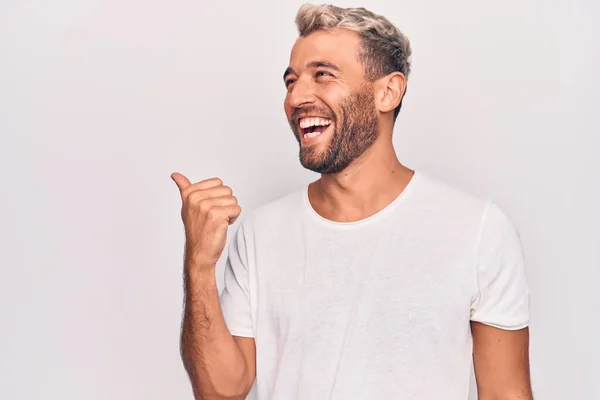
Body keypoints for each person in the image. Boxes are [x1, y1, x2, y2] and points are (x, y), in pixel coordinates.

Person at [171, 4, 532, 400]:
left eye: (322, 75)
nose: (296, 97)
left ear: (388, 92)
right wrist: (199, 264)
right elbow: (219, 392)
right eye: (291, 81)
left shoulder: (478, 230)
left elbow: (506, 393)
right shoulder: (260, 233)